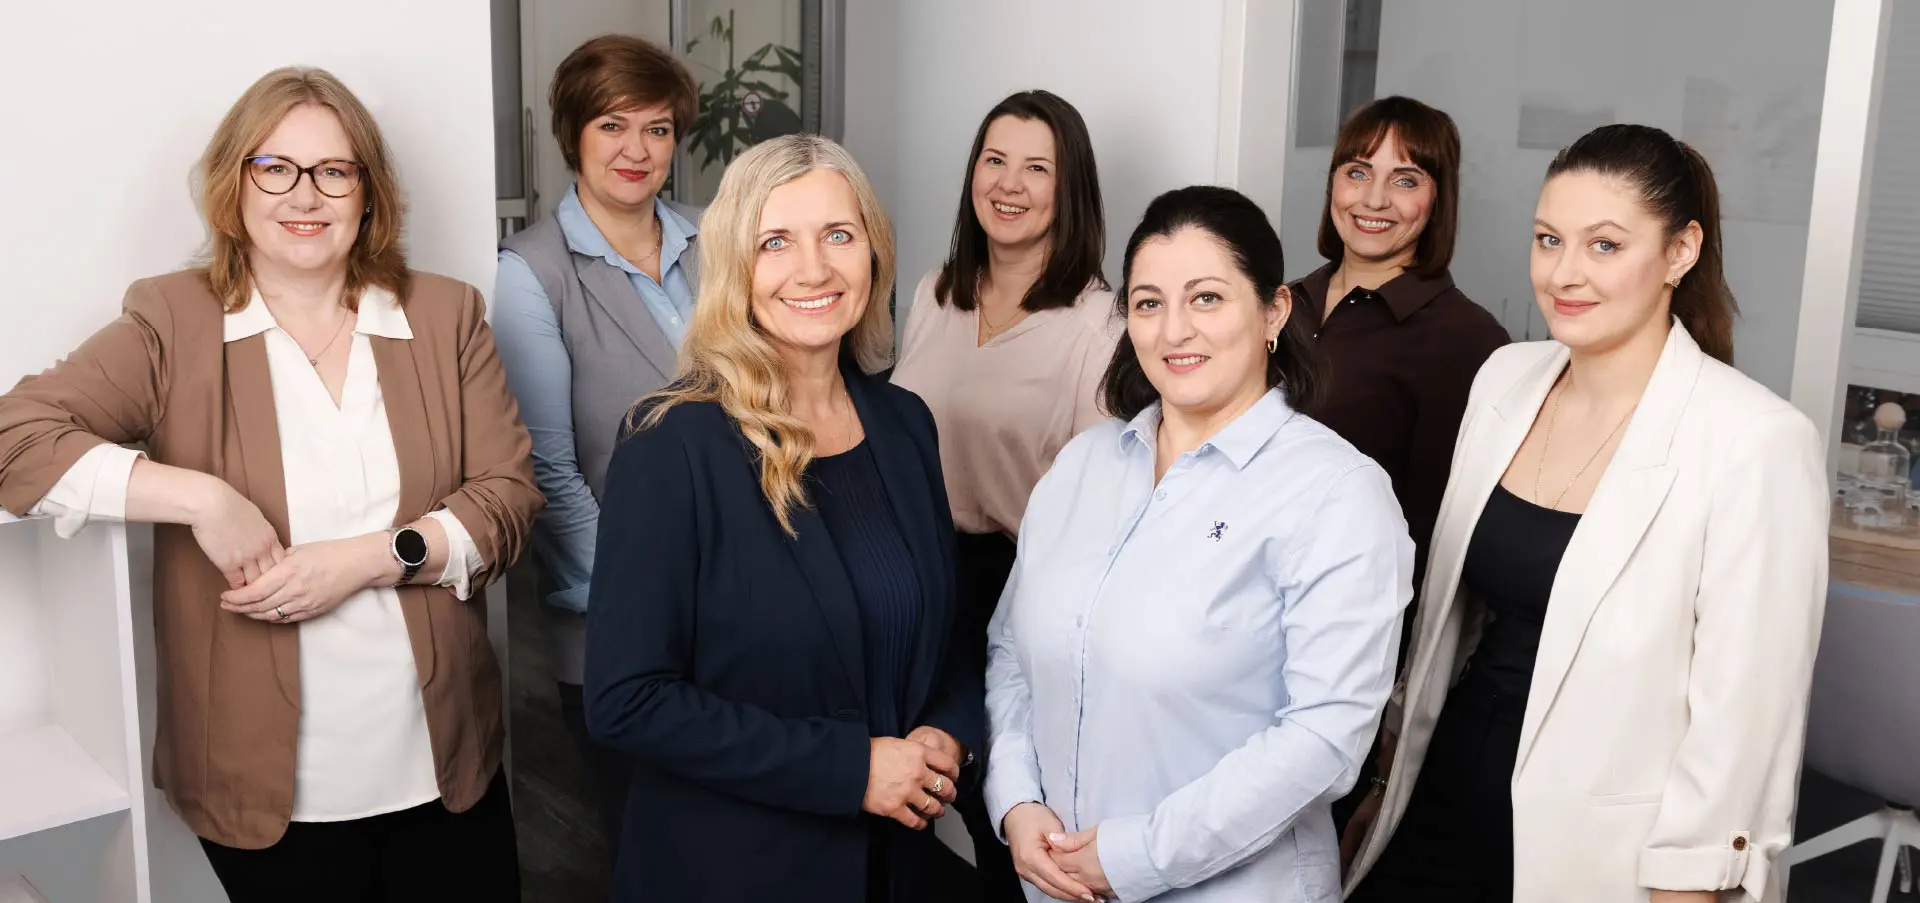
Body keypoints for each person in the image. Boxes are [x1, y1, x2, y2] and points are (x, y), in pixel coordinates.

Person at [0, 68, 540, 902]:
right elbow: (15, 439)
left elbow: (508, 498)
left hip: (445, 762)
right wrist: (201, 498)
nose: (306, 195)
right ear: (236, 184)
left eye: (335, 170)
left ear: (368, 191)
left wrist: (374, 556)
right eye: (275, 167)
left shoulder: (445, 314)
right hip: (267, 789)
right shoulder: (175, 322)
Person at [1345, 125, 1829, 903]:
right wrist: (1389, 778)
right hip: (1446, 790)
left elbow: (1745, 719)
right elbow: (1448, 618)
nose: (1564, 273)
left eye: (1604, 245)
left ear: (1680, 251)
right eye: (1548, 239)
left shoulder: (1755, 440)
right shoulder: (1505, 379)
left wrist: (1691, 884)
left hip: (1601, 849)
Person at [583, 134, 986, 902]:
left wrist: (950, 736)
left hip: (895, 870)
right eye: (776, 242)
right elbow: (626, 699)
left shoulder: (906, 424)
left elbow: (951, 636)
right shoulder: (672, 444)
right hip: (731, 874)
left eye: (838, 235)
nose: (813, 269)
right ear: (736, 266)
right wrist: (852, 768)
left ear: (874, 252)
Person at [984, 185, 1413, 902]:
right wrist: (1016, 800)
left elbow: (1325, 737)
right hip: (1055, 884)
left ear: (1274, 311)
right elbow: (1011, 653)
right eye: (1149, 303)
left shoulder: (1336, 492)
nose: (1174, 330)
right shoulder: (1082, 465)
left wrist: (1134, 856)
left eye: (1207, 298)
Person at [888, 88, 1117, 900]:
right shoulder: (934, 291)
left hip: (1013, 582)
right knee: (904, 788)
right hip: (912, 567)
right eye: (994, 160)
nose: (1009, 184)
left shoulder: (1098, 325)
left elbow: (1102, 504)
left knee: (1002, 804)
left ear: (1070, 187)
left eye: (1036, 168)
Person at [1287, 94, 1510, 860]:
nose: (1374, 198)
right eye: (1358, 171)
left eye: (1406, 178)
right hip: (1237, 627)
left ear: (1438, 199)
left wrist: (1397, 718)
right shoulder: (1281, 303)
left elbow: (1440, 544)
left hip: (1346, 659)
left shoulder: (1466, 341)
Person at [492, 32, 702, 843]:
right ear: (573, 135)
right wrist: (641, 598)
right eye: (613, 125)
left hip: (743, 604)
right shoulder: (531, 272)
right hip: (617, 619)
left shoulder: (718, 239)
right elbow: (548, 466)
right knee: (654, 845)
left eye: (657, 128)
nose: (636, 150)